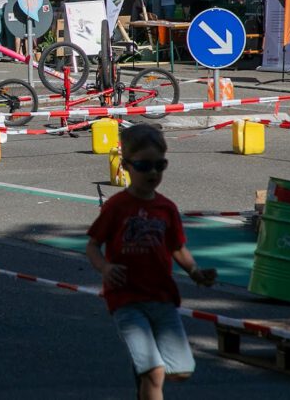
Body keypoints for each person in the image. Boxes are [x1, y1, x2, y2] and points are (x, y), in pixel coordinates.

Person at [85, 124, 217, 400]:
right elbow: (93, 245)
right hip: (126, 299)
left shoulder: (166, 208)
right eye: (144, 165)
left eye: (160, 165)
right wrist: (106, 268)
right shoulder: (116, 207)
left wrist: (195, 271)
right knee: (154, 372)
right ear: (126, 166)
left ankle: (143, 374)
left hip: (162, 297)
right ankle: (145, 370)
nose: (153, 172)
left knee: (180, 371)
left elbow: (177, 247)